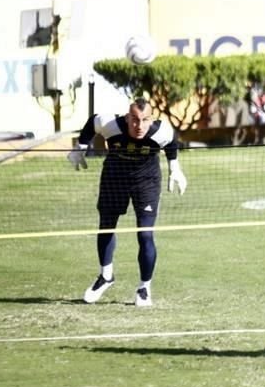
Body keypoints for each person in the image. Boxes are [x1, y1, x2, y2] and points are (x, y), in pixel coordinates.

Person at [67, 97, 187, 307]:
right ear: (127, 117)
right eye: (134, 119)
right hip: (115, 176)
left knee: (145, 234)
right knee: (106, 226)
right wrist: (81, 146)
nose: (139, 125)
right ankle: (105, 276)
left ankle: (144, 288)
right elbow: (92, 122)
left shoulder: (161, 132)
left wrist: (175, 169)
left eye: (144, 120)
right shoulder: (110, 124)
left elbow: (172, 143)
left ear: (151, 119)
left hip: (146, 182)